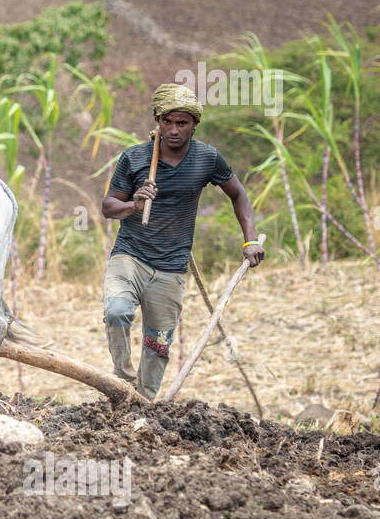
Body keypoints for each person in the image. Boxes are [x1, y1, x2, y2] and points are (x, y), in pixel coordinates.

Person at [100, 83, 264, 398]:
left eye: (182, 123)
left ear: (194, 125)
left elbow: (238, 194)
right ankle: (122, 382)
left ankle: (144, 402)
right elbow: (108, 207)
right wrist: (135, 204)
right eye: (167, 122)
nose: (173, 130)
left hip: (172, 267)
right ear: (157, 121)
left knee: (158, 342)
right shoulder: (135, 158)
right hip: (130, 257)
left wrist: (251, 241)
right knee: (117, 311)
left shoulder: (207, 158)